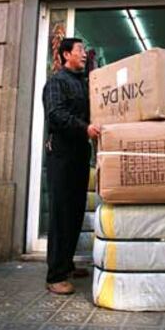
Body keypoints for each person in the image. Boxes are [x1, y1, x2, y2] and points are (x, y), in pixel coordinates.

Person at [42, 37, 100, 295]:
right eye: (79, 50)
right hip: (62, 157)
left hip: (79, 156)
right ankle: (55, 275)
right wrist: (85, 128)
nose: (83, 54)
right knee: (61, 213)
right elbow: (55, 115)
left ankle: (66, 263)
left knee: (75, 211)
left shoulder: (82, 82)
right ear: (66, 55)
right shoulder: (57, 82)